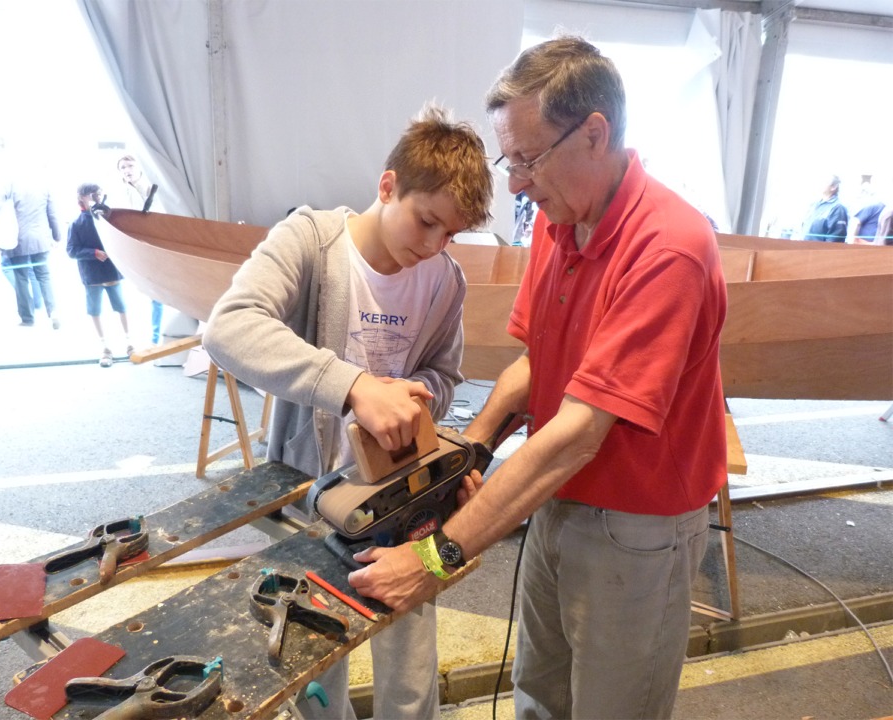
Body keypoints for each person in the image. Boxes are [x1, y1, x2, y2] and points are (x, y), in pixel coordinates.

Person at [347, 36, 729, 720]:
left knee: (613, 708)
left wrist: (437, 556)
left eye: (527, 159)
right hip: (556, 498)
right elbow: (538, 363)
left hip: (636, 524)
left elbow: (583, 429)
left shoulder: (669, 246)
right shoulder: (559, 223)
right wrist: (476, 448)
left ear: (594, 133)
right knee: (540, 696)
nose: (516, 183)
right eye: (509, 160)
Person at [203, 105, 494, 719]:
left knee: (411, 676)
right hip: (309, 496)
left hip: (403, 501)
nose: (434, 245)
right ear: (388, 185)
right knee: (314, 675)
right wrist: (356, 385)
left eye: (451, 234)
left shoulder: (444, 280)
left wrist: (417, 399)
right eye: (426, 222)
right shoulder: (309, 240)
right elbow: (228, 328)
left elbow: (444, 375)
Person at [66, 183, 134, 368]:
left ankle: (130, 344)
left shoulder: (108, 217)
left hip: (112, 270)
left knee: (121, 307)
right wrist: (93, 253)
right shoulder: (77, 223)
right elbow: (71, 250)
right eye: (90, 195)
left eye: (98, 194)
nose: (95, 198)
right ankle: (105, 348)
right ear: (81, 198)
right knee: (95, 311)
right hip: (92, 275)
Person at [0, 176, 62, 327]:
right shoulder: (43, 185)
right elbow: (53, 215)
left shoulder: (9, 184)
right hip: (40, 239)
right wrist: (57, 236)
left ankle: (27, 318)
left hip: (17, 239)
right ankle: (53, 313)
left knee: (21, 278)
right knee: (44, 276)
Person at [116, 154, 164, 344]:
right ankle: (150, 338)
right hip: (133, 248)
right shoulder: (119, 191)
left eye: (130, 166)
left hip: (156, 247)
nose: (127, 170)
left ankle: (156, 338)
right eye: (123, 167)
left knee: (157, 294)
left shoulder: (154, 188)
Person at [798, 175, 848, 242]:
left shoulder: (837, 208)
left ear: (833, 187)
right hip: (803, 248)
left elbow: (835, 238)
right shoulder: (814, 205)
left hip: (818, 251)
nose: (820, 184)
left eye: (825, 182)